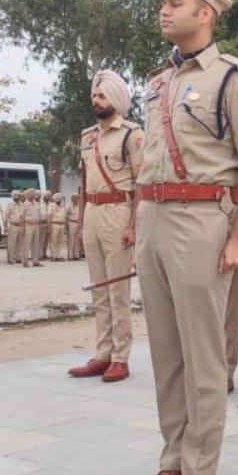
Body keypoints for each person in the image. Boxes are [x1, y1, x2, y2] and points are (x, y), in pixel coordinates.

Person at [127, 0, 238, 475]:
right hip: (155, 219)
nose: (164, 10)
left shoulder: (236, 79)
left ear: (205, 13)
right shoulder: (158, 82)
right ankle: (171, 461)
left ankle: (200, 470)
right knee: (166, 352)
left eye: (176, 2)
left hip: (203, 220)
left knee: (204, 355)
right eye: (162, 1)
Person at [68, 70, 143, 383]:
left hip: (118, 211)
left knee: (117, 290)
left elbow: (142, 182)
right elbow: (85, 182)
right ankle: (102, 354)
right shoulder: (88, 137)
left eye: (101, 96)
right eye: (94, 96)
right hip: (94, 211)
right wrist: (82, 220)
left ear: (117, 100)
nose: (95, 101)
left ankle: (121, 358)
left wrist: (134, 226)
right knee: (99, 289)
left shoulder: (132, 135)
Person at [22, 188, 44, 267]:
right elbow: (21, 217)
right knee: (27, 244)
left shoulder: (36, 204)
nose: (33, 195)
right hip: (28, 225)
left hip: (36, 225)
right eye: (32, 194)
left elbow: (39, 214)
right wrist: (22, 228)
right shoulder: (24, 204)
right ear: (28, 195)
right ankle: (25, 261)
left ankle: (35, 260)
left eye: (34, 193)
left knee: (36, 244)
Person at [6, 190, 25, 263]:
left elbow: (23, 216)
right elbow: (7, 216)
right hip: (13, 225)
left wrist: (23, 226)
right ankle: (10, 258)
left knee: (20, 243)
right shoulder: (10, 205)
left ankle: (18, 257)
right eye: (15, 195)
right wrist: (5, 226)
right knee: (12, 243)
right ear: (12, 197)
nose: (17, 197)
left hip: (20, 225)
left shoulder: (23, 205)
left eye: (18, 195)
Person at [67, 194, 81, 260]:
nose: (76, 199)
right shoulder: (69, 205)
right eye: (75, 198)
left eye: (77, 198)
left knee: (77, 240)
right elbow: (66, 216)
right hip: (71, 223)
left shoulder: (79, 205)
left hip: (78, 224)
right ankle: (70, 256)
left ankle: (76, 255)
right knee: (71, 240)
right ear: (72, 198)